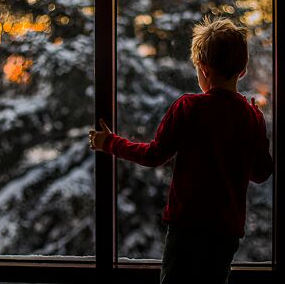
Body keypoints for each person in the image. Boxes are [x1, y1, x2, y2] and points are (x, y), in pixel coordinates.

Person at [89, 17, 273, 284]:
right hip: (227, 231)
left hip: (188, 227)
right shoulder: (251, 116)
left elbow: (154, 155)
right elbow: (260, 173)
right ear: (242, 70)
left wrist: (110, 143)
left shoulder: (188, 107)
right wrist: (260, 128)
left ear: (204, 69)